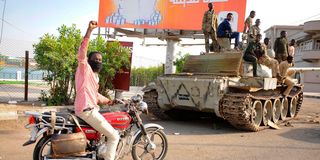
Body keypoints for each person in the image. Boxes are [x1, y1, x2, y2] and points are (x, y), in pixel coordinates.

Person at [74, 21, 119, 160]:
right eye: (95, 59)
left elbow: (95, 95)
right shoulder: (84, 68)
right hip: (87, 109)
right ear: (89, 60)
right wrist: (89, 31)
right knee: (114, 136)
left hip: (89, 108)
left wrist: (109, 101)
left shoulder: (95, 76)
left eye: (100, 60)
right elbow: (82, 52)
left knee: (106, 128)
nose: (98, 61)